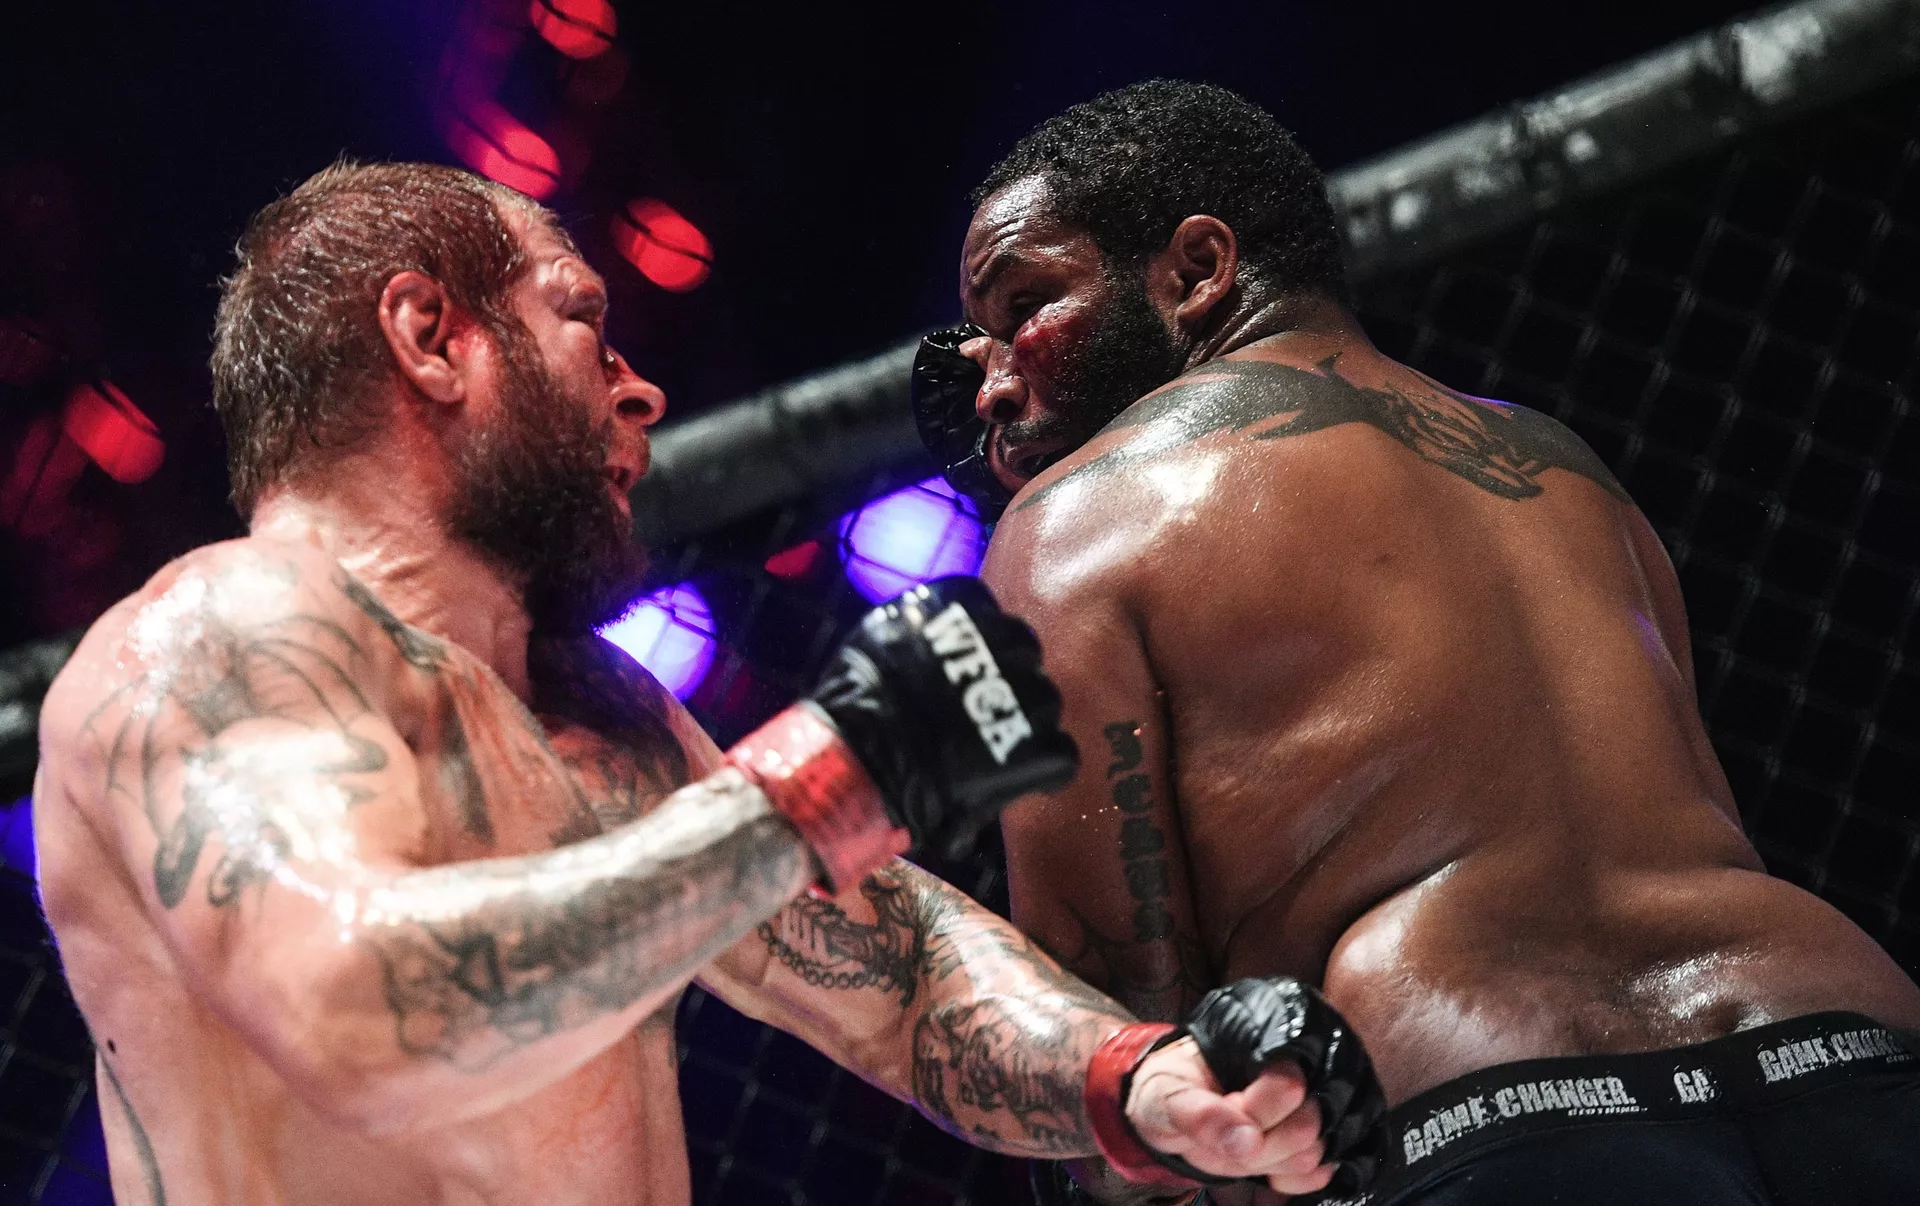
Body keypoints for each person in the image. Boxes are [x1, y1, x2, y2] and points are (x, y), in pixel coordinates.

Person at [33, 160, 1350, 1206]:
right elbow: (359, 1011)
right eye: (580, 322)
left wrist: (1140, 1080)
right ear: (432, 335)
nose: (642, 391)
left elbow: (896, 969)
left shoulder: (588, 707)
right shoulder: (222, 636)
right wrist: (816, 785)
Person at [910, 80, 1920, 1205]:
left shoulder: (1066, 526)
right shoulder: (1562, 466)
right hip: (1854, 1047)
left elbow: (1125, 1055)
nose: (991, 386)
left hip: (1487, 1093)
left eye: (1024, 306)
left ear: (1197, 270)